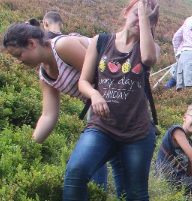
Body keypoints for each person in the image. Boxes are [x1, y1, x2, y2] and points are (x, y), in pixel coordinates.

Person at [63, 0, 160, 201]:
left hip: (137, 133)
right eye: (136, 13)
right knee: (75, 173)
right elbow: (84, 81)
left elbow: (147, 58)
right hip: (102, 126)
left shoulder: (150, 47)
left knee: (135, 195)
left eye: (149, 17)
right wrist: (95, 94)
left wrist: (144, 20)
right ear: (126, 12)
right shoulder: (100, 41)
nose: (140, 19)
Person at [2, 22, 120, 189]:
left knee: (112, 162)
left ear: (31, 43)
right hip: (99, 110)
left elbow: (104, 79)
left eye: (19, 55)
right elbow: (48, 116)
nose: (19, 61)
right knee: (92, 161)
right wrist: (29, 147)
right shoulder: (45, 75)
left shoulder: (64, 46)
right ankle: (98, 198)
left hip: (121, 101)